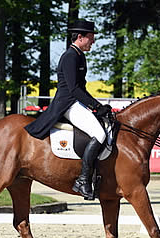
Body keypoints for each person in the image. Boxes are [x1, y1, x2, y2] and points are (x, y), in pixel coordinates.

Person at [25, 19, 111, 200]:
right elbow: (73, 89)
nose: (93, 41)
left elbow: (81, 88)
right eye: (91, 38)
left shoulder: (79, 55)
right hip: (67, 104)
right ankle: (82, 180)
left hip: (75, 102)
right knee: (100, 134)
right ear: (80, 37)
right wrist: (95, 106)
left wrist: (98, 106)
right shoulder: (71, 56)